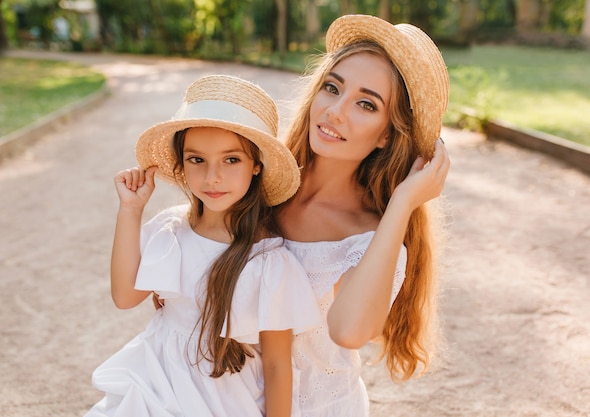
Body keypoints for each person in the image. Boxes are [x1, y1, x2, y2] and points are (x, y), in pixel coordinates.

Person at [85, 75, 321, 417]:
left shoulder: (268, 261)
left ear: (256, 165)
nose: (213, 177)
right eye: (197, 160)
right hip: (157, 382)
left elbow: (276, 364)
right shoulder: (171, 232)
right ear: (181, 165)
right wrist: (131, 210)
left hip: (223, 399)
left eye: (231, 160)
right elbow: (125, 297)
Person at [276, 14, 451, 416]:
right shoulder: (261, 183)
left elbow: (350, 331)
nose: (335, 111)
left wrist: (404, 204)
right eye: (332, 87)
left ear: (388, 133)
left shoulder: (370, 238)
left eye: (366, 104)